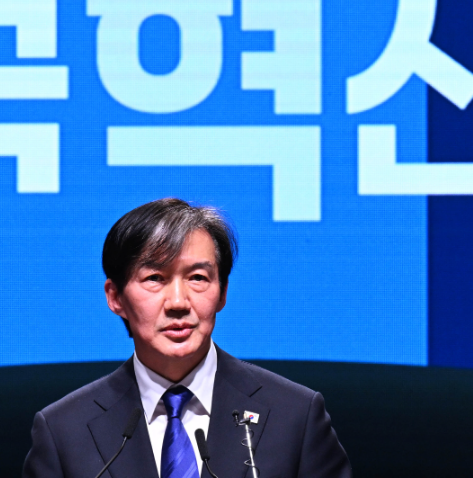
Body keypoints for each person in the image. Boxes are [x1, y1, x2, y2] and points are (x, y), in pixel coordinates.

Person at [22, 198, 352, 478]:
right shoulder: (63, 432)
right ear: (115, 297)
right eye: (155, 278)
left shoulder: (295, 416)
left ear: (222, 291)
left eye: (197, 277)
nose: (178, 302)